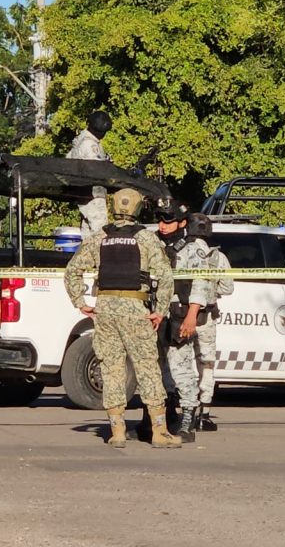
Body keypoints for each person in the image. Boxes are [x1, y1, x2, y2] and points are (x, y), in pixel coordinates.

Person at [63, 188, 181, 449]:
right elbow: (165, 276)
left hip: (105, 310)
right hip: (136, 308)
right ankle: (159, 432)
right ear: (137, 208)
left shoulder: (99, 237)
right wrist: (160, 310)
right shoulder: (146, 238)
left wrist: (80, 302)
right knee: (147, 368)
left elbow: (72, 270)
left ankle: (117, 431)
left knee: (111, 368)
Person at [155, 200, 214, 443]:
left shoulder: (193, 248)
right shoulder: (154, 243)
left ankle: (187, 419)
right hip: (156, 313)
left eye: (168, 220)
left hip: (179, 312)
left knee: (181, 369)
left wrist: (191, 316)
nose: (163, 225)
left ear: (181, 223)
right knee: (158, 369)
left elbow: (200, 283)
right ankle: (160, 417)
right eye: (160, 219)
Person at [186, 212, 234, 431]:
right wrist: (212, 291)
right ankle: (204, 415)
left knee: (183, 364)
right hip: (207, 317)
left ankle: (185, 412)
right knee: (206, 364)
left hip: (183, 315)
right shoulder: (218, 257)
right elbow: (228, 288)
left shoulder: (182, 251)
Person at [66, 110, 113, 239]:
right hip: (93, 194)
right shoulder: (89, 144)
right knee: (100, 234)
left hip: (83, 194)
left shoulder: (80, 141)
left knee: (87, 236)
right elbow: (95, 169)